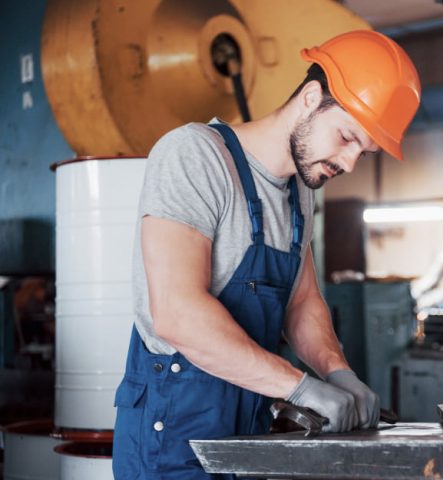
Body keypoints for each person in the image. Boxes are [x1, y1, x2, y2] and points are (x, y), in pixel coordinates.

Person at [112, 29, 421, 479]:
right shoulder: (195, 156)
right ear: (312, 97)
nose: (350, 164)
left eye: (365, 152)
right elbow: (177, 313)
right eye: (347, 137)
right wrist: (298, 388)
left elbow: (302, 303)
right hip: (172, 431)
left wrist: (338, 374)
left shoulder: (300, 192)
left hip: (246, 427)